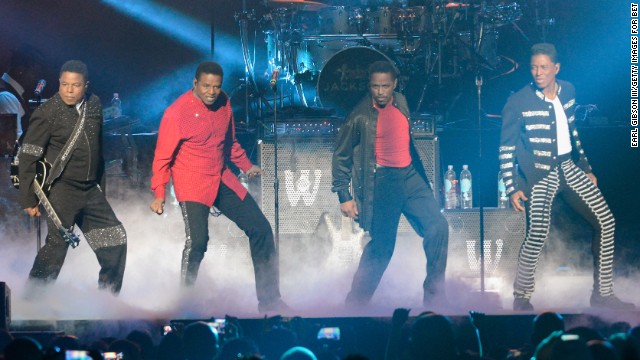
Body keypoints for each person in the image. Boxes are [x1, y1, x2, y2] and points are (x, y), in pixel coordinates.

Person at [498, 43, 635, 311]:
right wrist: (512, 186)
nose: (538, 73)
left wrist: (585, 166)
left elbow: (573, 133)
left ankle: (603, 295)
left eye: (544, 67)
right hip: (538, 176)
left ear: (556, 68)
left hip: (568, 168)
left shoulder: (569, 91)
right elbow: (506, 148)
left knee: (606, 222)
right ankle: (521, 297)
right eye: (534, 67)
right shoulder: (517, 102)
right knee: (537, 233)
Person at [149, 61, 286, 313]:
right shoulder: (177, 112)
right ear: (195, 83)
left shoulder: (223, 101)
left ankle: (270, 301)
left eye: (216, 86)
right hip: (192, 181)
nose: (212, 92)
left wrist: (246, 166)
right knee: (198, 242)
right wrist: (159, 194)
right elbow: (162, 158)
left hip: (220, 176)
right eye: (206, 86)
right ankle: (184, 302)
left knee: (261, 229)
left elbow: (229, 142)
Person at [332, 60, 449, 308]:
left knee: (438, 227)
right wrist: (344, 194)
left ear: (395, 85)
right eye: (375, 87)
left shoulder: (402, 101)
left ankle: (435, 298)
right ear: (370, 86)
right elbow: (341, 155)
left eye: (385, 86)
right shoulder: (359, 116)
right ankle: (355, 304)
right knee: (383, 248)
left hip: (410, 176)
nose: (381, 92)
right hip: (383, 181)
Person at [18, 60, 127, 294]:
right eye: (64, 84)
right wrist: (28, 200)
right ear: (59, 83)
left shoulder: (95, 104)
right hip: (61, 189)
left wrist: (101, 188)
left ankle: (106, 300)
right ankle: (33, 301)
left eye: (75, 85)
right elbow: (28, 157)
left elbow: (98, 148)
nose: (69, 90)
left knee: (115, 241)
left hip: (90, 190)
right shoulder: (46, 113)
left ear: (85, 85)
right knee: (57, 247)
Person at [0, 45, 44, 142]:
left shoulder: (10, 94)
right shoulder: (7, 97)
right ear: (21, 70)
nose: (37, 79)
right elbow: (15, 143)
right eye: (35, 73)